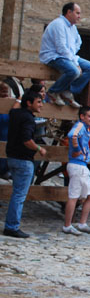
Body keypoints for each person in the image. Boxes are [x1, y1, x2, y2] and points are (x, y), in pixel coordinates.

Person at [3, 91, 47, 238]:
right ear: (29, 103)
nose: (41, 105)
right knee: (19, 195)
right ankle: (11, 227)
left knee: (17, 193)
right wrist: (39, 148)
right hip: (23, 160)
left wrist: (20, 98)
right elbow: (27, 140)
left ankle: (11, 225)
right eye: (38, 102)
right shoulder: (28, 119)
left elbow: (13, 108)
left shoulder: (16, 114)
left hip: (12, 158)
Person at [39, 2, 90, 108]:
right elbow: (61, 48)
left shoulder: (72, 27)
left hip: (68, 56)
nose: (79, 16)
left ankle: (68, 90)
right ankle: (53, 91)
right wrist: (75, 63)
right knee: (74, 71)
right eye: (77, 13)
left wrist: (73, 58)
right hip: (54, 56)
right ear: (69, 12)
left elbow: (78, 42)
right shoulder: (58, 24)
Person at [63, 106, 90, 235]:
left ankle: (82, 223)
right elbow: (72, 135)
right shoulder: (80, 126)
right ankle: (67, 225)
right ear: (82, 116)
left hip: (81, 166)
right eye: (89, 116)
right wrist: (77, 150)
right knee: (74, 196)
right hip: (77, 165)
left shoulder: (84, 126)